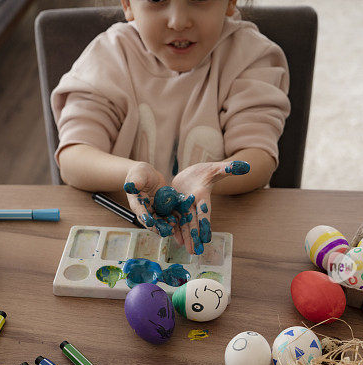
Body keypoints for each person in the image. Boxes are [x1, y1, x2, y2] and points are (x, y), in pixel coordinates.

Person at [51, 0, 290, 254]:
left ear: (230, 2)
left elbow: (259, 158)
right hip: (125, 236)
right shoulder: (107, 57)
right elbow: (73, 157)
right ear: (128, 4)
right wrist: (132, 172)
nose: (178, 21)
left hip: (228, 237)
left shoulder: (250, 56)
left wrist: (210, 178)